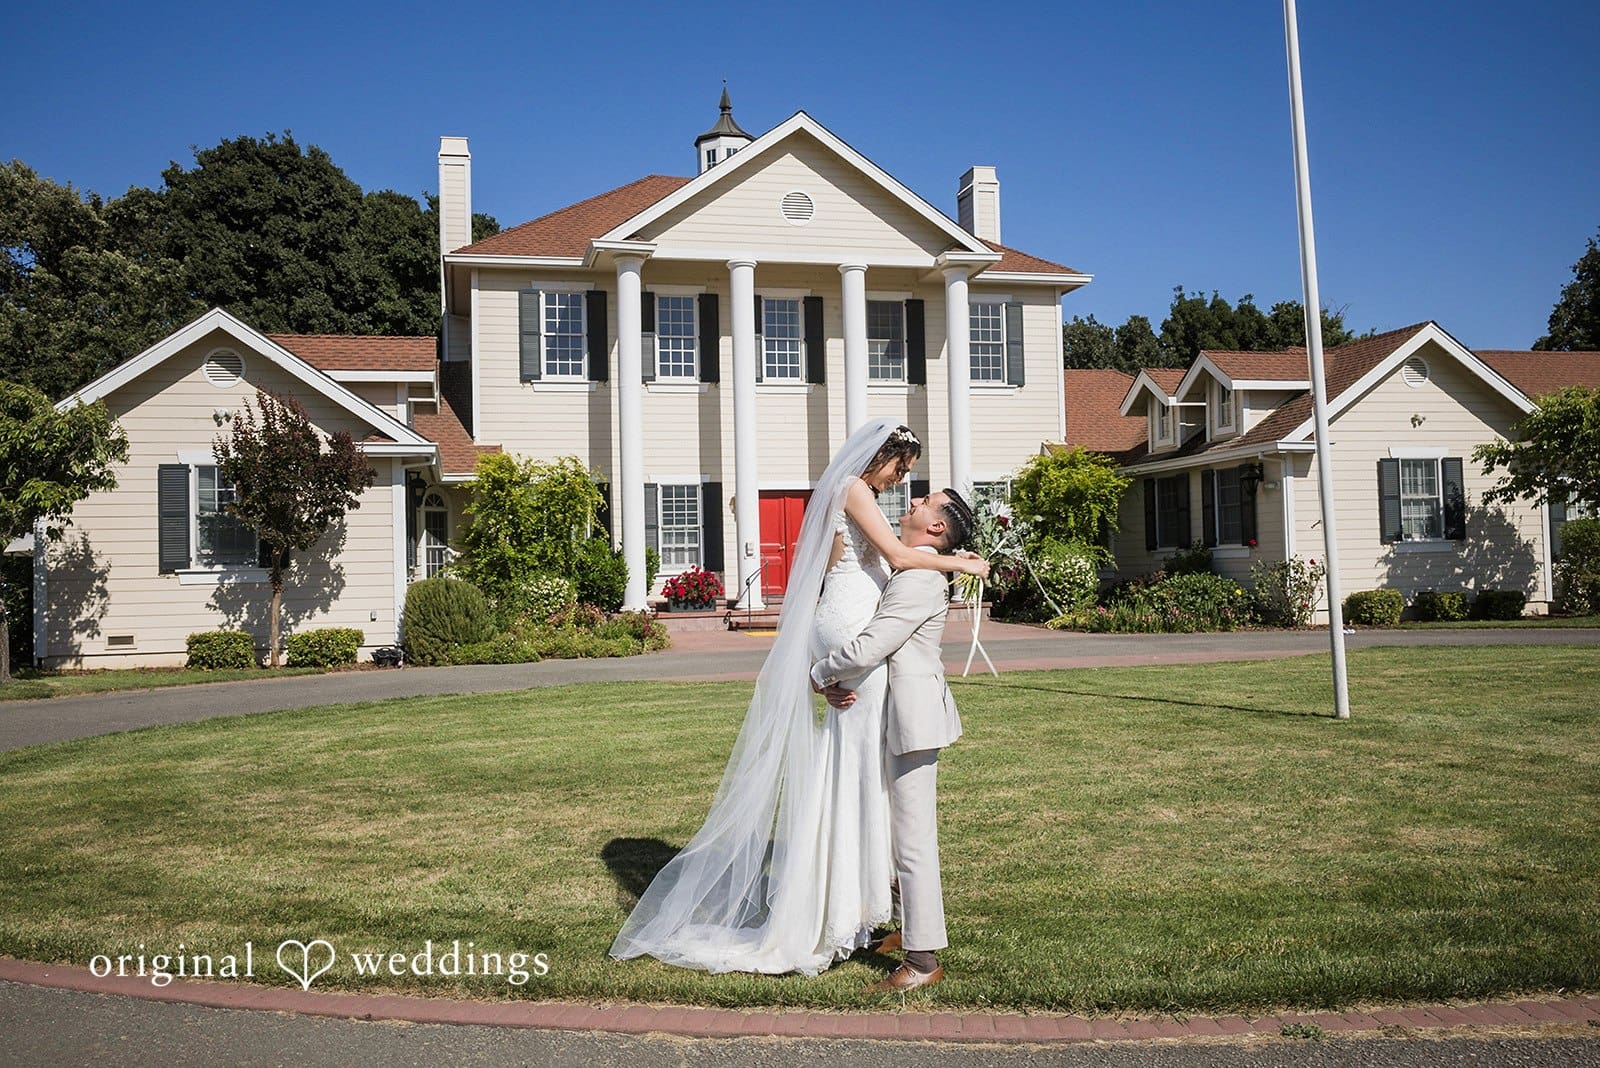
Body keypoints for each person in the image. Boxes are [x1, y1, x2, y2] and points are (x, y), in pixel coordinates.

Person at [609, 419, 988, 975]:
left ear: (935, 525)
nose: (902, 482)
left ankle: (893, 925)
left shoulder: (875, 510)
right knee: (867, 792)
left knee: (875, 797)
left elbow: (886, 573)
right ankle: (884, 919)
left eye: (913, 481)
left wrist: (822, 666)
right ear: (880, 454)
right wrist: (959, 561)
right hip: (854, 648)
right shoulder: (856, 492)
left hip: (870, 663)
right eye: (900, 468)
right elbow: (889, 565)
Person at [812, 488, 975, 991]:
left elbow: (874, 643)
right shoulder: (916, 568)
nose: (914, 500)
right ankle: (906, 927)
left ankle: (923, 961)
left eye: (927, 501)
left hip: (913, 718)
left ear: (937, 529)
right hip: (902, 714)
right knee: (896, 829)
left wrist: (817, 673)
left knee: (912, 840)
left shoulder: (919, 576)